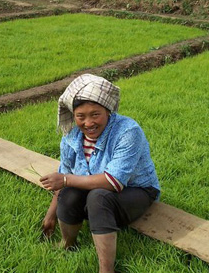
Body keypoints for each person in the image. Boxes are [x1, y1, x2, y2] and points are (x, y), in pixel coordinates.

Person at [40, 73, 160, 273]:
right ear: (74, 115)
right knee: (69, 194)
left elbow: (114, 182)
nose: (88, 123)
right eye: (81, 116)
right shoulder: (71, 134)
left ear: (108, 111)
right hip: (96, 187)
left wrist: (66, 179)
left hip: (136, 189)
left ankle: (106, 270)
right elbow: (65, 175)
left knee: (98, 198)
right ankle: (68, 244)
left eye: (95, 114)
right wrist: (50, 216)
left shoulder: (128, 131)